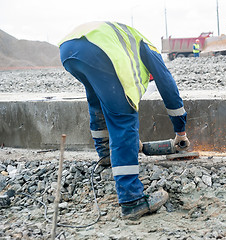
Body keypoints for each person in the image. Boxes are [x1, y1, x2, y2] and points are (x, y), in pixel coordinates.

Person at [58, 21, 190, 220]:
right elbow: (169, 89)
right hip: (96, 49)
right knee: (124, 118)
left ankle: (105, 155)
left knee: (97, 99)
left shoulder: (129, 42)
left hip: (69, 48)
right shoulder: (149, 50)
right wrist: (181, 132)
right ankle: (132, 201)